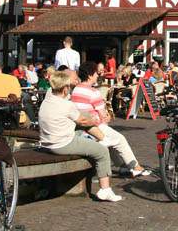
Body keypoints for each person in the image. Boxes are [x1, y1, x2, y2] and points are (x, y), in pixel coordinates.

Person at [38, 72, 122, 202]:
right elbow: (83, 122)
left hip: (48, 140)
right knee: (102, 152)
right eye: (69, 87)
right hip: (62, 144)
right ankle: (105, 190)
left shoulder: (47, 99)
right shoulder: (67, 105)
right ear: (65, 89)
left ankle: (104, 139)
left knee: (83, 117)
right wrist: (96, 120)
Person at [71, 62, 150, 177]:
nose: (98, 75)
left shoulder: (76, 90)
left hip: (79, 126)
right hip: (92, 126)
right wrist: (107, 117)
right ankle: (136, 167)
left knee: (111, 138)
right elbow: (103, 116)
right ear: (89, 75)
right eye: (96, 73)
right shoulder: (93, 92)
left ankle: (122, 166)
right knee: (120, 139)